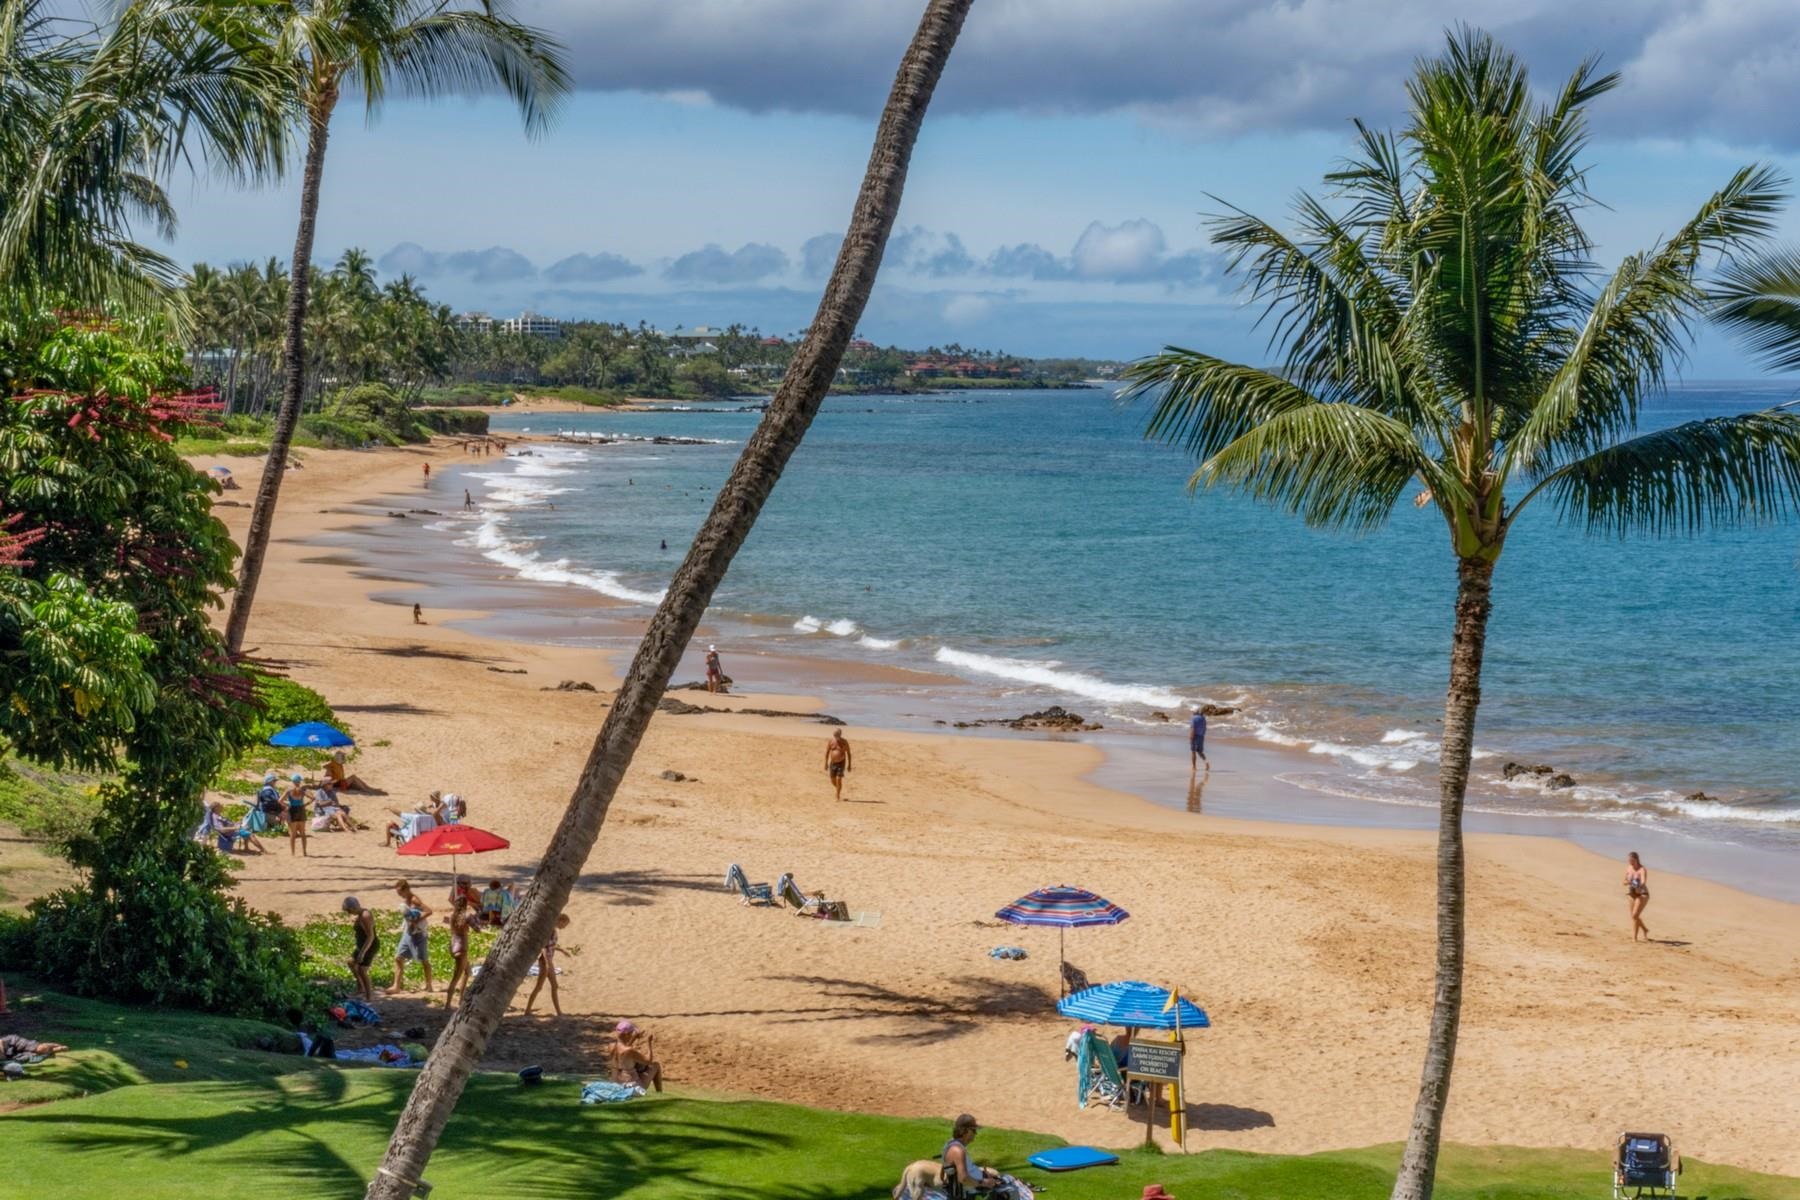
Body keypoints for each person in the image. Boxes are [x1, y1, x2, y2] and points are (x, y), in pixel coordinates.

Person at [524, 912, 571, 1016]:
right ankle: (528, 1010)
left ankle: (558, 1012)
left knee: (552, 986)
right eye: (564, 924)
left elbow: (551, 946)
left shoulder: (553, 930)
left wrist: (562, 950)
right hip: (546, 961)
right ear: (560, 921)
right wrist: (547, 963)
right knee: (542, 986)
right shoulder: (549, 931)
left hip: (548, 961)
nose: (564, 927)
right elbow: (544, 948)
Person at [391, 880, 434, 993]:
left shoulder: (415, 899)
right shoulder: (405, 900)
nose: (399, 895)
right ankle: (396, 986)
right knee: (398, 957)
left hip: (419, 933)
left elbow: (429, 911)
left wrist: (416, 920)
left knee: (424, 960)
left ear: (406, 889)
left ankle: (429, 985)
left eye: (400, 892)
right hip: (408, 932)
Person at [941, 1114, 1002, 1193]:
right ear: (966, 1131)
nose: (975, 1134)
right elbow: (963, 1179)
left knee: (1003, 1179)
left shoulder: (953, 1144)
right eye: (974, 1130)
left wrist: (984, 1175)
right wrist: (983, 1183)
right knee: (1010, 1189)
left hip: (975, 1183)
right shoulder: (957, 1151)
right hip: (971, 1190)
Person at [608, 1019, 663, 1092]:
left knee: (634, 1069)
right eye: (631, 1034)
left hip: (615, 1083)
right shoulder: (630, 1051)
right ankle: (659, 1093)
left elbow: (624, 1049)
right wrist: (649, 1043)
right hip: (632, 1086)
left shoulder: (611, 1046)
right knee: (656, 1065)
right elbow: (648, 1061)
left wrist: (634, 1038)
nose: (631, 1035)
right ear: (627, 1034)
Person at [343, 897, 378, 1002]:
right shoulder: (360, 915)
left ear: (353, 907)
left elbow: (370, 936)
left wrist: (362, 953)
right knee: (351, 962)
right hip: (361, 945)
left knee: (362, 971)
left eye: (349, 910)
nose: (349, 913)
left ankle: (369, 997)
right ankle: (360, 988)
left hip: (369, 946)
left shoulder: (365, 916)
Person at [443, 894, 474, 1009]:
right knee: (455, 978)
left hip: (453, 945)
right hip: (462, 948)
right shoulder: (466, 916)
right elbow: (477, 928)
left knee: (467, 971)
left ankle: (461, 999)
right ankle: (448, 1004)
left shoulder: (452, 916)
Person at [1625, 851, 1651, 941]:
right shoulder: (1629, 868)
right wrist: (1628, 882)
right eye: (1629, 860)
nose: (1630, 862)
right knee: (1633, 916)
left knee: (1635, 915)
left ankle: (1634, 938)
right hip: (1631, 893)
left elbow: (1643, 881)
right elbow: (1624, 881)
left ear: (1636, 859)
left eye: (1631, 860)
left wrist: (1639, 886)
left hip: (1642, 894)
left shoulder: (1642, 869)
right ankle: (1645, 930)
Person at [284, 774, 311, 856]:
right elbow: (313, 798)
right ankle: (304, 852)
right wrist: (305, 804)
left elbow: (279, 800)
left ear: (292, 781)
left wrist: (288, 805)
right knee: (303, 833)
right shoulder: (302, 790)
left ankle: (293, 853)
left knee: (293, 834)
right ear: (299, 781)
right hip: (301, 810)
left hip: (292, 810)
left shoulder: (289, 790)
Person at [824, 728, 853, 801]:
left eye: (837, 736)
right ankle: (838, 788)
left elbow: (849, 754)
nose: (836, 737)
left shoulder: (844, 742)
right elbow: (827, 752)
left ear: (840, 735)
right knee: (832, 780)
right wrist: (826, 763)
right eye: (835, 736)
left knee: (838, 779)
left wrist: (849, 765)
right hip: (833, 763)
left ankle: (837, 796)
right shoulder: (831, 741)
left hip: (841, 762)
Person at [1189, 705, 1209, 770]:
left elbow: (1193, 729)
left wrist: (1191, 737)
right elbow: (1205, 728)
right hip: (1201, 736)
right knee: (1200, 752)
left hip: (1195, 736)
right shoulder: (1203, 718)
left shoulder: (1193, 718)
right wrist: (1202, 736)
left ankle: (1194, 767)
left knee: (1193, 752)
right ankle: (1206, 762)